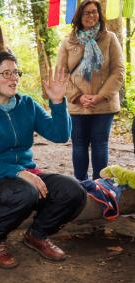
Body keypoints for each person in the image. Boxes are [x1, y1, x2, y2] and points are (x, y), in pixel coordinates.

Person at [0, 51, 86, 269]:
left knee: (73, 190)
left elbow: (59, 135)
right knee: (24, 192)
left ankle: (37, 234)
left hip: (25, 174)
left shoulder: (27, 104)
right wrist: (18, 172)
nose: (14, 78)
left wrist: (57, 102)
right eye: (6, 73)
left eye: (16, 72)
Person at [56, 0, 124, 181]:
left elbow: (118, 70)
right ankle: (81, 185)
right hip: (78, 105)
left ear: (99, 15)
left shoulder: (109, 38)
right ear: (79, 16)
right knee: (79, 146)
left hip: (104, 104)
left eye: (94, 12)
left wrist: (101, 96)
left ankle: (100, 187)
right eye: (87, 13)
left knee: (100, 145)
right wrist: (78, 97)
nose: (91, 16)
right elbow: (61, 74)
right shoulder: (68, 42)